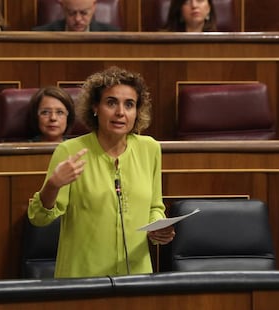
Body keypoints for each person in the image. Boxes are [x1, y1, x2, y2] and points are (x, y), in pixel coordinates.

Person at [28, 66, 175, 278]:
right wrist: (53, 185)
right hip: (83, 279)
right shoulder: (70, 151)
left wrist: (159, 229)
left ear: (137, 111)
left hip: (136, 277)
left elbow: (154, 206)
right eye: (111, 102)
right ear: (95, 107)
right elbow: (38, 218)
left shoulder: (150, 149)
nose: (120, 112)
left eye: (129, 105)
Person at [32, 0, 120, 32]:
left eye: (84, 13)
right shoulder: (40, 35)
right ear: (62, 7)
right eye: (71, 13)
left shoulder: (112, 35)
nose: (78, 19)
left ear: (94, 7)